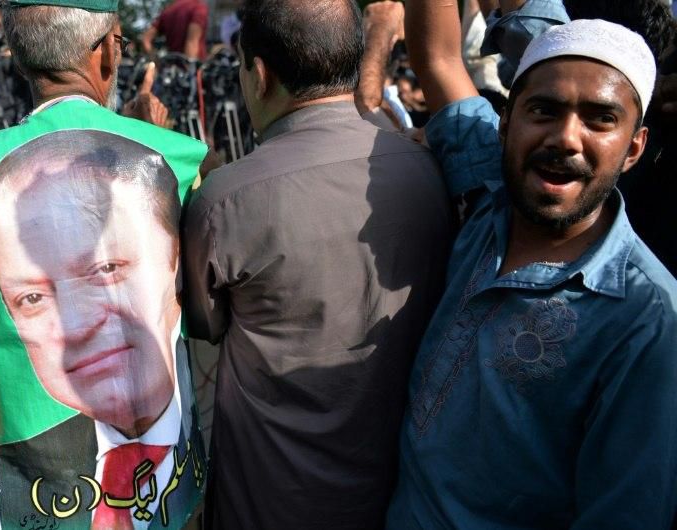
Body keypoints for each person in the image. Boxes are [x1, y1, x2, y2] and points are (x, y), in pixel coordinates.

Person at [0, 1, 207, 529]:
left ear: (20, 62)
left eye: (109, 270)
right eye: (32, 298)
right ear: (110, 50)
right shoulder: (177, 161)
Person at [386, 0, 677, 528]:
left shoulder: (648, 318)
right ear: (505, 124)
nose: (566, 137)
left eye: (600, 119)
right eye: (544, 110)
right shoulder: (489, 195)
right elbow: (440, 60)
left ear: (633, 149)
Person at [182, 0, 454, 528]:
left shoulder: (226, 199)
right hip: (396, 487)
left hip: (270, 497)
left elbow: (202, 323)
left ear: (258, 74)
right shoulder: (429, 168)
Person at [141, 0, 208, 60]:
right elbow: (192, 43)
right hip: (190, 68)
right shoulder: (198, 8)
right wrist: (191, 70)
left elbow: (146, 39)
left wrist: (155, 60)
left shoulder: (169, 10)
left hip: (172, 67)